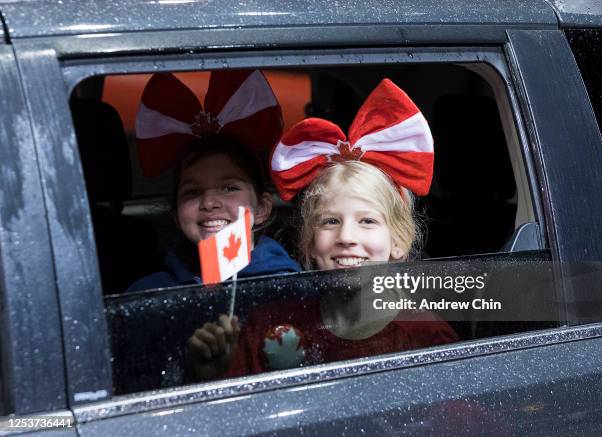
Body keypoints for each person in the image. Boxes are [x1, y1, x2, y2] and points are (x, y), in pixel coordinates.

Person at [185, 78, 458, 380]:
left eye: (367, 221)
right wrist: (213, 374)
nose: (346, 237)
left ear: (399, 241)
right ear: (309, 242)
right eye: (330, 221)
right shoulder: (269, 325)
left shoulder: (428, 337)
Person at [127, 70, 300, 292]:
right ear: (176, 216)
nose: (209, 202)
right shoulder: (148, 293)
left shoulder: (288, 286)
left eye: (229, 188)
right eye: (192, 192)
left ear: (262, 209)